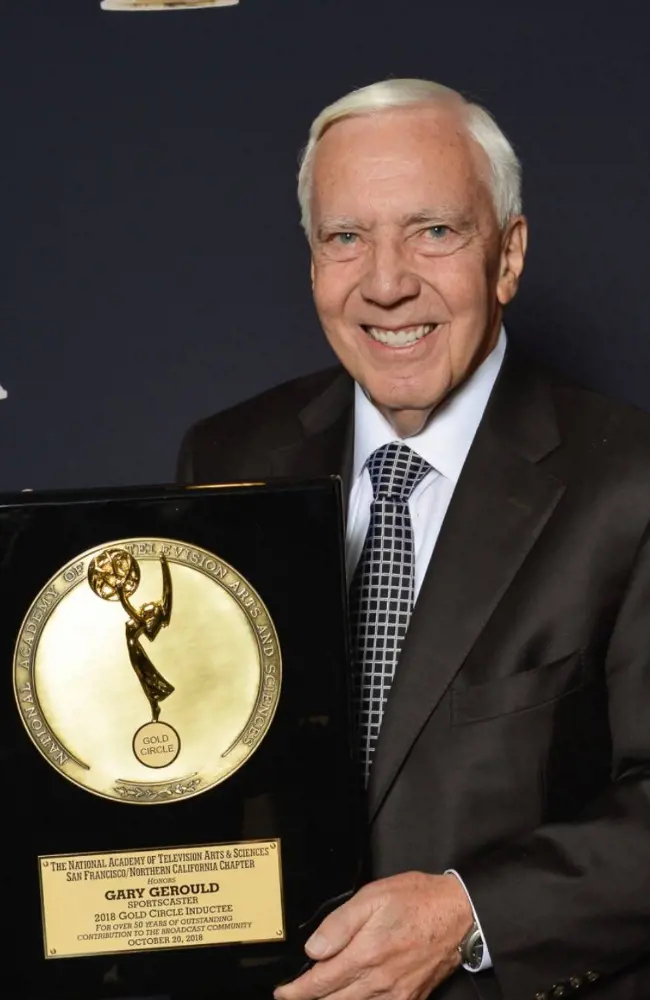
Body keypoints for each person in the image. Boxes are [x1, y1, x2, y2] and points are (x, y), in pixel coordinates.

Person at [177, 79, 650, 1000]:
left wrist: (469, 916)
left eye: (434, 231)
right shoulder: (228, 454)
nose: (386, 283)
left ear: (507, 256)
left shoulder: (629, 482)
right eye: (346, 238)